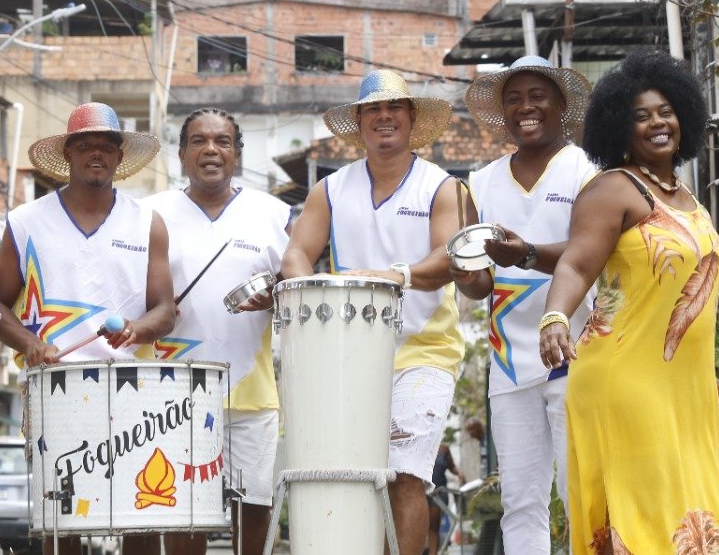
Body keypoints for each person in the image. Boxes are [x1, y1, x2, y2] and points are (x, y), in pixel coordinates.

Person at [538, 50, 719, 554]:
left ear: (684, 116)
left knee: (688, 510)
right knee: (650, 513)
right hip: (624, 381)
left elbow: (678, 300)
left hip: (679, 388)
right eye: (640, 116)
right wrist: (554, 316)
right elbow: (574, 264)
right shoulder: (613, 190)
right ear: (619, 128)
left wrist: (698, 372)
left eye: (665, 111)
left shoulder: (686, 195)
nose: (657, 122)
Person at [281, 69, 467, 555]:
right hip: (348, 355)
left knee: (405, 473)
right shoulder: (330, 190)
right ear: (360, 122)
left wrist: (397, 275)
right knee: (355, 476)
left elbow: (449, 258)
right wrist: (307, 286)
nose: (384, 117)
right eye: (373, 110)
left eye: (394, 108)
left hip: (425, 350)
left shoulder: (442, 186)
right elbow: (296, 256)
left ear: (410, 119)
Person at [0, 102, 176, 555]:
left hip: (133, 387)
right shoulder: (26, 221)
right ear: (68, 154)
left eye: (107, 146)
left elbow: (166, 310)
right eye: (86, 144)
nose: (97, 153)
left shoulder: (148, 222)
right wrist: (31, 343)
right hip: (56, 385)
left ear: (119, 157)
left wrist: (136, 328)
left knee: (141, 513)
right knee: (62, 519)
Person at [455, 55, 593, 555]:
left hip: (576, 351)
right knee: (520, 500)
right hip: (508, 362)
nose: (525, 107)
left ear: (560, 105)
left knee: (580, 492)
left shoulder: (589, 170)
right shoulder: (481, 181)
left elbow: (589, 251)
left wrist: (528, 254)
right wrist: (468, 277)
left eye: (537, 96)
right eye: (513, 98)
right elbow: (478, 284)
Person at [141, 108, 291, 555]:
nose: (211, 150)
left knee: (254, 510)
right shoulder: (150, 213)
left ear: (238, 154)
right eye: (199, 141)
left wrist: (278, 296)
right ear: (182, 154)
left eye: (223, 141)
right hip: (171, 395)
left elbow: (296, 287)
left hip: (251, 391)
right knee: (184, 511)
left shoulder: (274, 213)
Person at [426, 443, 460, 555]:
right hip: (422, 492)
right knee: (422, 525)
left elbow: (452, 467)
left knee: (434, 526)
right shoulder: (420, 445)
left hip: (439, 492)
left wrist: (459, 474)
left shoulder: (444, 448)